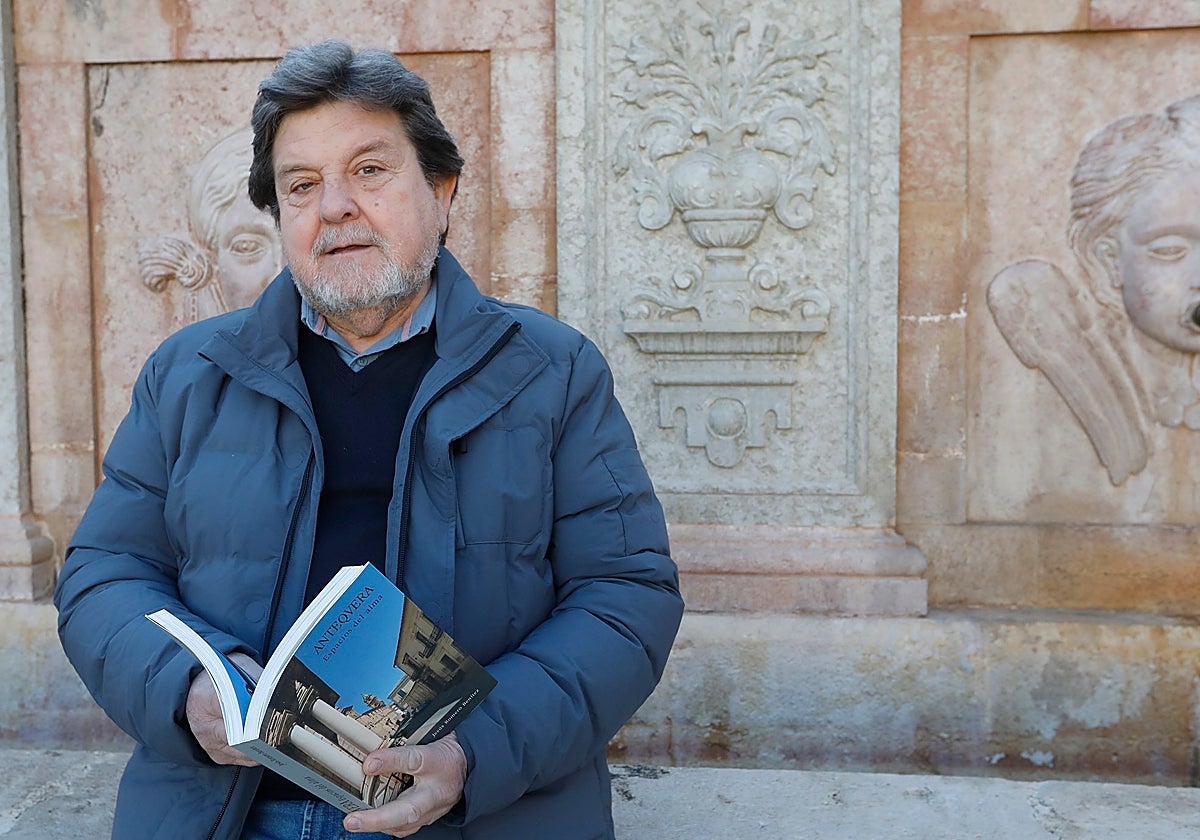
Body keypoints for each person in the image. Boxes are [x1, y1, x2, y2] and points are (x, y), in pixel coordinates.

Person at [55, 39, 683, 840]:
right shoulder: (189, 374)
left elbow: (626, 595)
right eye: (302, 185)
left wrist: (474, 752)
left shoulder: (552, 373)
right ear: (280, 216)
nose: (337, 206)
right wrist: (185, 689)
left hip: (470, 809)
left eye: (371, 171)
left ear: (443, 190)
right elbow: (104, 572)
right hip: (230, 809)